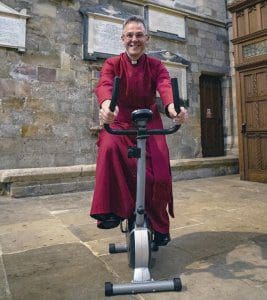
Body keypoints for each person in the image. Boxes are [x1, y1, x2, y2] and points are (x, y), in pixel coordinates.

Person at [90, 16, 188, 246]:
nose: (134, 39)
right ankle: (112, 211)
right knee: (109, 148)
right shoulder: (112, 64)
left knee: (160, 174)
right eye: (130, 35)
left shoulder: (156, 66)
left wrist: (174, 110)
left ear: (147, 38)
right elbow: (104, 85)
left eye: (139, 35)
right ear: (122, 39)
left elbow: (165, 87)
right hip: (121, 121)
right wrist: (107, 108)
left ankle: (160, 225)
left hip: (149, 121)